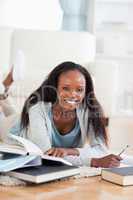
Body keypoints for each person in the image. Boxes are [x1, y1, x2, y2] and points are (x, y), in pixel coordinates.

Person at [1, 61, 122, 167]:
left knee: (15, 113)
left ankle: (4, 89)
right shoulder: (38, 109)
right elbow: (45, 155)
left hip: (26, 121)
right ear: (55, 88)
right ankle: (4, 87)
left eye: (79, 90)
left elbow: (101, 149)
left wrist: (69, 151)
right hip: (13, 128)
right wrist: (93, 162)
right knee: (7, 118)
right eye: (66, 88)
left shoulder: (88, 111)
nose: (73, 94)